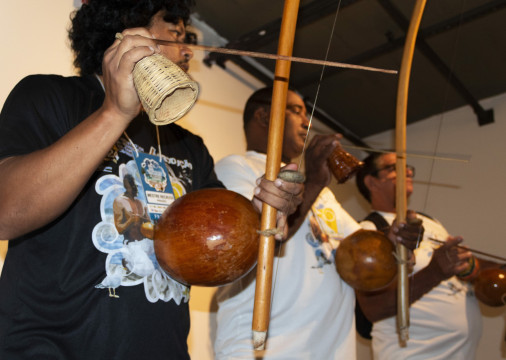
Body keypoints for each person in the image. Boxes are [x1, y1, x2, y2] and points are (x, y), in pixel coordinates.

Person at [0, 1, 303, 359]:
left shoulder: (189, 145)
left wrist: (261, 217)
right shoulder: (51, 96)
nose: (188, 50)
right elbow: (7, 211)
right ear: (127, 30)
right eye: (176, 33)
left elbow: (219, 248)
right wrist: (116, 112)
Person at [213, 87, 421, 359]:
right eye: (296, 111)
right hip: (266, 351)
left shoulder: (322, 193)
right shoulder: (236, 167)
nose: (306, 121)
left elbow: (361, 255)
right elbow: (258, 235)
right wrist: (312, 178)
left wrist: (395, 242)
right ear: (264, 116)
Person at [354, 151, 492, 360]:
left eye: (408, 168)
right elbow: (374, 309)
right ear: (372, 182)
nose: (407, 171)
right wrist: (435, 272)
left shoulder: (429, 221)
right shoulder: (366, 232)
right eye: (395, 168)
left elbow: (458, 265)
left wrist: (470, 267)